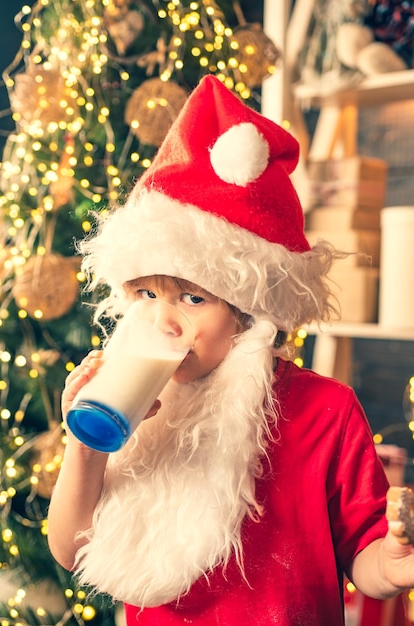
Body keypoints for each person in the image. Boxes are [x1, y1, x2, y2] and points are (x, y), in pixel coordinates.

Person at [47, 74, 414, 626]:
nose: (162, 320)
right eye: (145, 294)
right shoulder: (133, 401)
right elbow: (72, 550)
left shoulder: (326, 410)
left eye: (193, 298)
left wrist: (390, 563)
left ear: (251, 312)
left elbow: (366, 563)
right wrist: (86, 446)